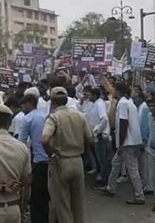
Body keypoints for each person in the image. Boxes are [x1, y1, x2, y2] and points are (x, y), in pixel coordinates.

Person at [42, 87, 94, 223]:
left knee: (62, 204)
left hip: (60, 161)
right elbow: (90, 139)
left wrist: (51, 154)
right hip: (77, 161)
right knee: (78, 204)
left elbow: (45, 139)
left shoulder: (54, 117)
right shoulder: (80, 116)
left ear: (52, 102)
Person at [102, 82, 145, 205]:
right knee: (116, 163)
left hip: (127, 141)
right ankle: (111, 187)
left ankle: (139, 195)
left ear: (118, 91)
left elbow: (123, 123)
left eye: (114, 89)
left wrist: (120, 143)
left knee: (132, 169)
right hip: (131, 140)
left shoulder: (122, 103)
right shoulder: (129, 102)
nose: (112, 91)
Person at [19, 94, 50, 223]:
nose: (22, 108)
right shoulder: (45, 116)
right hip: (50, 159)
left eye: (23, 105)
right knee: (48, 194)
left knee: (37, 196)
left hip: (37, 160)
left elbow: (21, 142)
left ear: (28, 103)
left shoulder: (27, 119)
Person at [89, 88, 112, 187]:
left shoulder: (99, 104)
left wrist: (97, 131)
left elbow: (104, 119)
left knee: (103, 160)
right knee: (101, 159)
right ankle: (103, 179)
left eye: (90, 95)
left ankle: (104, 181)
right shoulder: (96, 104)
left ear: (94, 95)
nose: (88, 97)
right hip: (97, 135)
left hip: (100, 135)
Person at [136, 90, 152, 194]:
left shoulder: (144, 108)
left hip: (145, 140)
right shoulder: (141, 107)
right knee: (143, 164)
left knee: (146, 164)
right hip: (142, 139)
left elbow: (144, 126)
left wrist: (143, 139)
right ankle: (145, 183)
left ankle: (148, 185)